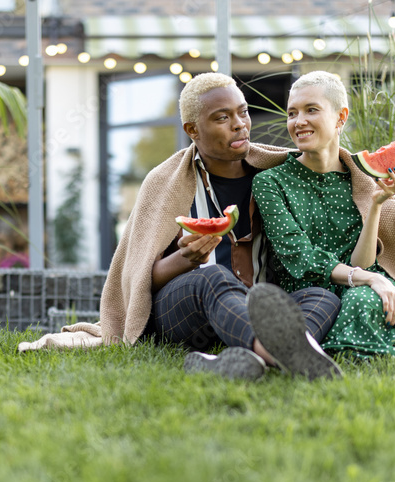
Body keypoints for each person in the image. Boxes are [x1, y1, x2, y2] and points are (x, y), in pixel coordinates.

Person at [98, 73, 343, 381]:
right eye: (222, 118)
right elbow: (138, 282)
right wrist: (185, 260)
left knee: (323, 296)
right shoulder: (165, 183)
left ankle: (230, 360)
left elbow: (338, 170)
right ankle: (274, 353)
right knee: (212, 276)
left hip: (252, 307)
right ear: (192, 130)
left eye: (243, 111)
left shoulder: (277, 175)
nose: (239, 123)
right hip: (186, 314)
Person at [252, 71, 395, 360]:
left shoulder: (359, 181)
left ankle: (374, 352)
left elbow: (361, 262)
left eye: (311, 110)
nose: (299, 121)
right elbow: (298, 257)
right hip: (309, 294)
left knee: (364, 299)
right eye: (292, 113)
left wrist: (376, 204)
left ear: (341, 117)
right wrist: (372, 279)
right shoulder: (270, 182)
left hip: (360, 287)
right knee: (365, 300)